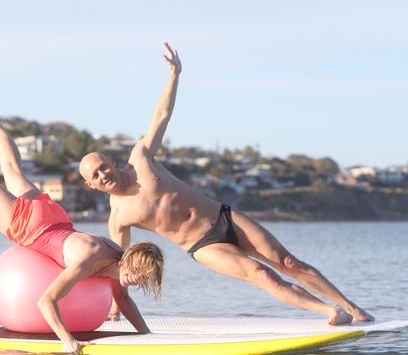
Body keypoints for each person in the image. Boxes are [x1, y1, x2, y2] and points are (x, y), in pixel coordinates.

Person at [79, 42, 374, 326]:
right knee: (263, 275)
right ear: (91, 185)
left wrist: (174, 74)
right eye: (95, 176)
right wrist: (118, 305)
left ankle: (353, 308)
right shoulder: (118, 218)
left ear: (111, 161)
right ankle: (329, 311)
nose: (102, 175)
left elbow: (161, 115)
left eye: (103, 166)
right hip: (202, 245)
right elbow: (123, 267)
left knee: (288, 262)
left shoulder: (140, 158)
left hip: (224, 216)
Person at [0, 88, 163, 353]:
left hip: (55, 217)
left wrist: (147, 336)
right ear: (130, 258)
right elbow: (45, 301)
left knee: (13, 169)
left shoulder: (117, 259)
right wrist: (68, 340)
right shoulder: (90, 260)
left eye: (144, 275)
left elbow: (124, 301)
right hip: (31, 225)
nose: (138, 277)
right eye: (138, 270)